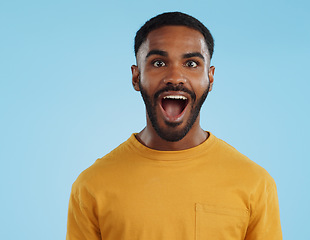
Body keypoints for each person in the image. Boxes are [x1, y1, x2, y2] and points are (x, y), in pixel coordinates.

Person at [66, 12, 282, 240]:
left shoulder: (255, 183)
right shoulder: (91, 186)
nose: (175, 77)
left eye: (191, 63)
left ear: (210, 77)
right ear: (136, 76)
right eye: (159, 63)